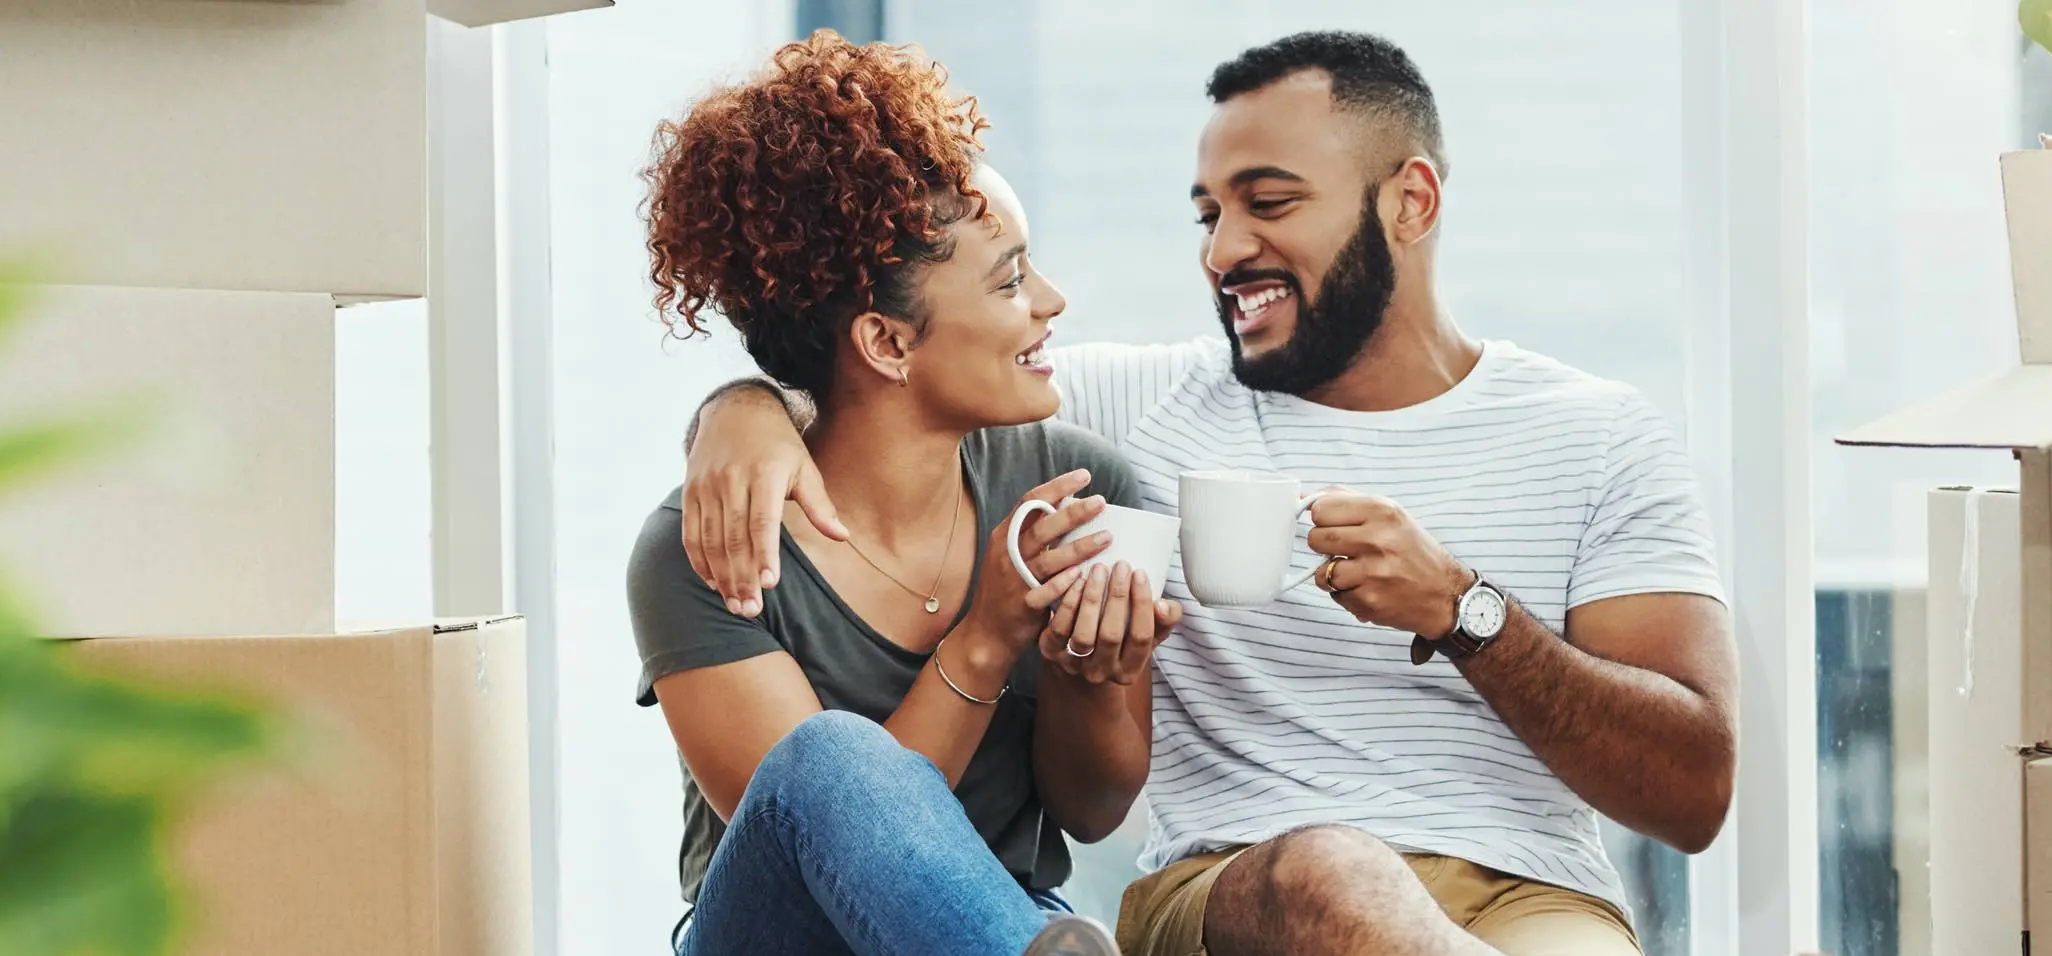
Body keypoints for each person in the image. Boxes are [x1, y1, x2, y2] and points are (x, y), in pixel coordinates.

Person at [674, 31, 1739, 956]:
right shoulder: (1116, 412)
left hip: (1529, 896)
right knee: (1331, 876)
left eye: (1269, 204)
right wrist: (741, 409)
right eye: (1208, 214)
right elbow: (892, 383)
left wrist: (1469, 613)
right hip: (1249, 888)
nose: (1226, 250)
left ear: (1410, 202)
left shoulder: (1600, 435)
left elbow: (1692, 795)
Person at [626, 31, 1181, 956]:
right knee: (829, 759)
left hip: (1004, 926)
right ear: (886, 343)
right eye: (1010, 281)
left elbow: (1092, 811)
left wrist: (1094, 678)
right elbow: (821, 846)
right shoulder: (709, 544)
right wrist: (991, 635)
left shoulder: (1083, 489)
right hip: (779, 940)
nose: (1053, 300)